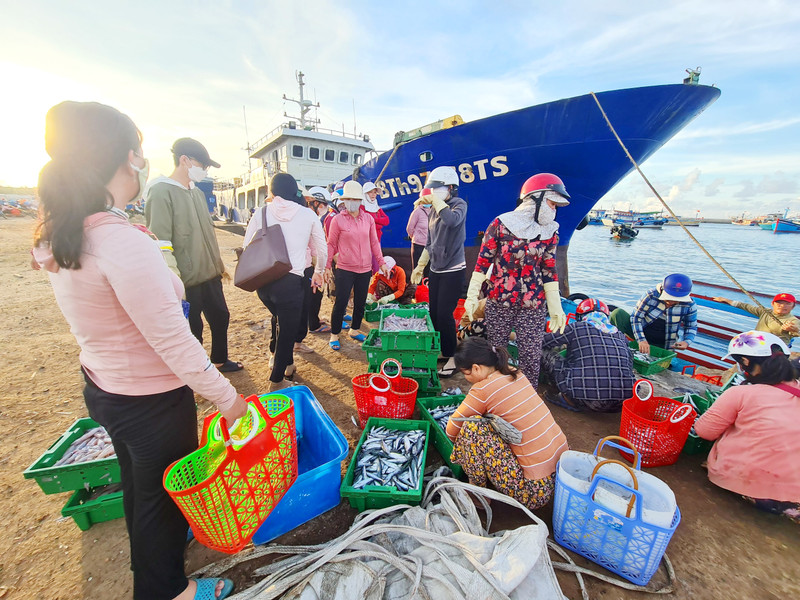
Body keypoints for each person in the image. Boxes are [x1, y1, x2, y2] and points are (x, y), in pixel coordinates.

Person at [33, 101, 245, 600]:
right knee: (159, 499)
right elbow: (173, 339)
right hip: (151, 399)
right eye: (139, 152)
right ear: (125, 158)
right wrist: (228, 400)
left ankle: (154, 562)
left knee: (140, 488)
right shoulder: (118, 242)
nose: (141, 162)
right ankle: (170, 590)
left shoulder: (69, 229)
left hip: (106, 387)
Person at [145, 137, 243, 372]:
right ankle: (196, 370)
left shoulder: (197, 193)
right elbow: (160, 241)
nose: (204, 171)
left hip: (210, 273)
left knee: (221, 316)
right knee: (192, 326)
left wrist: (219, 266)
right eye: (202, 165)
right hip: (185, 279)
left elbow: (208, 235)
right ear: (184, 160)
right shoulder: (161, 192)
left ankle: (219, 359)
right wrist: (173, 278)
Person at [462, 173, 570, 385]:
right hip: (499, 300)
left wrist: (556, 306)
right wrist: (472, 296)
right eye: (552, 203)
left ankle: (526, 396)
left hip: (533, 304)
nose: (554, 210)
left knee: (530, 354)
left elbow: (549, 268)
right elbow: (483, 262)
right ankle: (498, 391)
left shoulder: (550, 232)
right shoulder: (501, 224)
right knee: (497, 351)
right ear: (536, 199)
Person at [445, 337, 569, 510]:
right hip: (561, 476)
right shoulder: (513, 372)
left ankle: (478, 495)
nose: (466, 379)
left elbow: (452, 428)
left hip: (533, 492)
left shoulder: (483, 389)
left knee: (471, 429)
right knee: (488, 424)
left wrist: (462, 449)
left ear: (476, 368)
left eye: (466, 374)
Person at [694, 331, 800, 524]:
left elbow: (704, 431)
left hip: (742, 481)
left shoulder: (740, 393)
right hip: (794, 491)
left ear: (746, 362)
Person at [243, 174, 326, 391]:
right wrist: (318, 272)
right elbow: (322, 249)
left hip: (264, 282)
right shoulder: (308, 215)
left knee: (279, 322)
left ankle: (287, 365)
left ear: (272, 192)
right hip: (291, 282)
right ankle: (276, 381)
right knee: (287, 332)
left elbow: (247, 245)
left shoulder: (261, 212)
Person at [410, 166, 468, 377]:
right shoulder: (435, 209)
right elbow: (429, 241)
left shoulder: (459, 205)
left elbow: (452, 221)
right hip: (436, 268)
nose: (434, 192)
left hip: (453, 270)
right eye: (432, 189)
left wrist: (436, 202)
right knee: (433, 312)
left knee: (445, 313)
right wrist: (420, 265)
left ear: (451, 187)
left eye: (438, 188)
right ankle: (443, 350)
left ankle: (454, 358)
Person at [540, 298, 636, 412]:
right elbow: (629, 364)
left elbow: (542, 341)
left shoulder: (577, 327)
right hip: (621, 404)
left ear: (580, 316)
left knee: (543, 353)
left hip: (585, 400)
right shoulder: (620, 336)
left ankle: (568, 399)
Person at [325, 181, 387, 350]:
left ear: (361, 201)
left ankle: (354, 329)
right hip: (345, 268)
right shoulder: (338, 220)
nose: (352, 202)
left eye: (356, 199)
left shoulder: (368, 219)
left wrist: (381, 262)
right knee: (341, 302)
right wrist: (326, 266)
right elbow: (331, 244)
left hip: (365, 269)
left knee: (360, 302)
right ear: (344, 201)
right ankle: (334, 334)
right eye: (349, 199)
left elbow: (374, 242)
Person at [610, 273, 697, 354]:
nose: (671, 302)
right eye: (669, 298)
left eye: (676, 300)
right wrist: (641, 340)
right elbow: (636, 318)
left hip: (665, 341)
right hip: (642, 331)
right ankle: (613, 346)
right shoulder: (651, 295)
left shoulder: (689, 305)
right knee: (618, 314)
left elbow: (691, 326)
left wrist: (686, 341)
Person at [712, 293, 799, 345]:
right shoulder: (765, 312)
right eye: (779, 303)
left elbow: (797, 331)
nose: (783, 306)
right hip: (758, 342)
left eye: (787, 304)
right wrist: (727, 300)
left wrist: (795, 330)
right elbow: (746, 306)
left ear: (793, 306)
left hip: (776, 347)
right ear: (773, 304)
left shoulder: (793, 320)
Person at [305, 186, 335, 333]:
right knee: (315, 293)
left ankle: (313, 319)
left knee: (313, 294)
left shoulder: (305, 216)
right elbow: (318, 248)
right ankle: (314, 325)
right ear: (315, 203)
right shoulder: (310, 218)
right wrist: (321, 269)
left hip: (309, 261)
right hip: (311, 262)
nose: (324, 207)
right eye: (322, 204)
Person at [406, 195, 431, 271]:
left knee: (428, 270)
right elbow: (410, 228)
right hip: (418, 246)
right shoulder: (417, 211)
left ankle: (426, 282)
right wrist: (415, 237)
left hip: (429, 246)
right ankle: (417, 283)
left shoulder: (433, 211)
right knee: (417, 270)